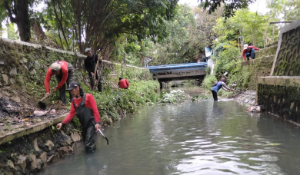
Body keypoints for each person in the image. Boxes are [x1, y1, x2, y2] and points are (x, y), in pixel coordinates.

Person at [56, 81, 101, 153]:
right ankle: (92, 156)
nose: (71, 92)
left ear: (77, 88)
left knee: (88, 144)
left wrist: (97, 123)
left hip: (92, 124)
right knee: (87, 143)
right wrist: (62, 123)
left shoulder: (88, 97)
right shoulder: (73, 101)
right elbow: (71, 114)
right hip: (84, 125)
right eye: (70, 91)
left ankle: (91, 161)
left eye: (72, 90)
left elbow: (95, 110)